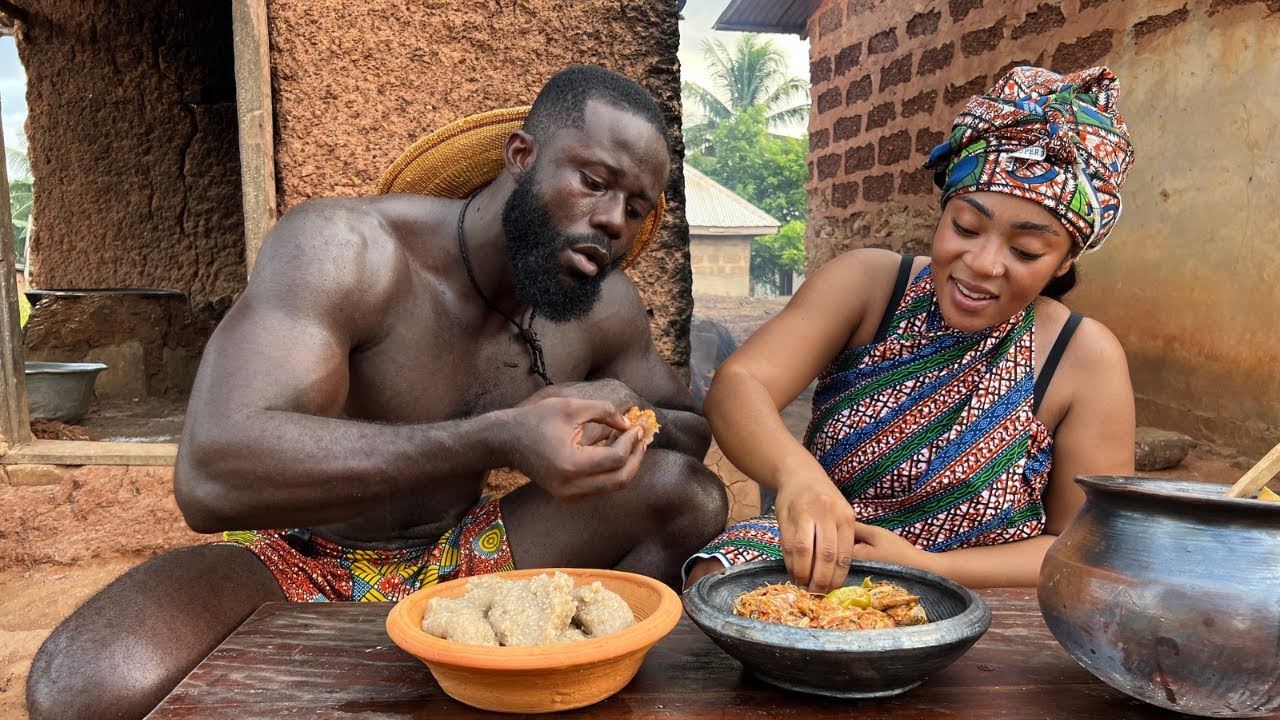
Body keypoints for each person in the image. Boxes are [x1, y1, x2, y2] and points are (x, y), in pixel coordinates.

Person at [27, 65, 727, 720]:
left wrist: (616, 412)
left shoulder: (601, 305)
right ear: (521, 157)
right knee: (89, 686)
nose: (614, 221)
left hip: (470, 555)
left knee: (687, 494)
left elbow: (688, 431)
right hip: (294, 557)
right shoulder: (349, 249)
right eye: (595, 181)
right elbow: (211, 474)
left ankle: (565, 687)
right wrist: (499, 435)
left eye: (637, 207)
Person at [685, 66, 1136, 593]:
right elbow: (739, 385)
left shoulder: (1083, 357)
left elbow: (1092, 542)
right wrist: (798, 476)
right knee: (714, 578)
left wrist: (932, 568)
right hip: (828, 550)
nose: (983, 263)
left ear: (1064, 261)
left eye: (1026, 251)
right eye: (965, 227)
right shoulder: (872, 285)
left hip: (979, 590)